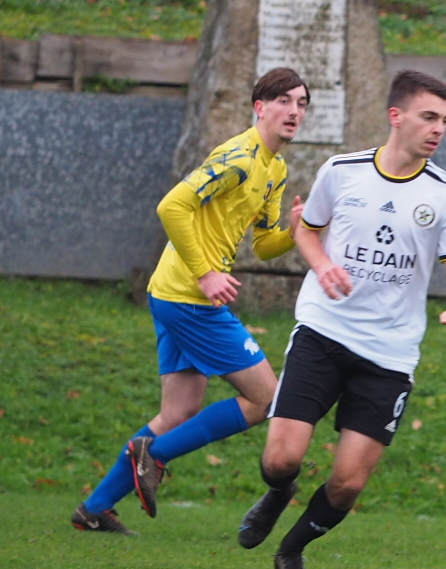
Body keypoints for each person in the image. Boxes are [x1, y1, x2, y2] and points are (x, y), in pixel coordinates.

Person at [238, 70, 446, 569]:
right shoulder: (342, 171)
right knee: (281, 459)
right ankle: (279, 493)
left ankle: (293, 547)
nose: (438, 130)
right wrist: (321, 264)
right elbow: (306, 232)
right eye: (429, 117)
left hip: (389, 355)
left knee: (347, 483)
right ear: (397, 116)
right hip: (323, 333)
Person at [71, 68, 310, 535]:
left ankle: (95, 509)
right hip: (189, 297)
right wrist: (205, 275)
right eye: (284, 101)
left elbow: (263, 246)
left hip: (173, 293)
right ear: (259, 107)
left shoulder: (274, 169)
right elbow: (171, 206)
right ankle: (153, 455)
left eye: (301, 103)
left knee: (178, 412)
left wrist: (295, 233)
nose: (294, 111)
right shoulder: (238, 157)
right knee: (265, 398)